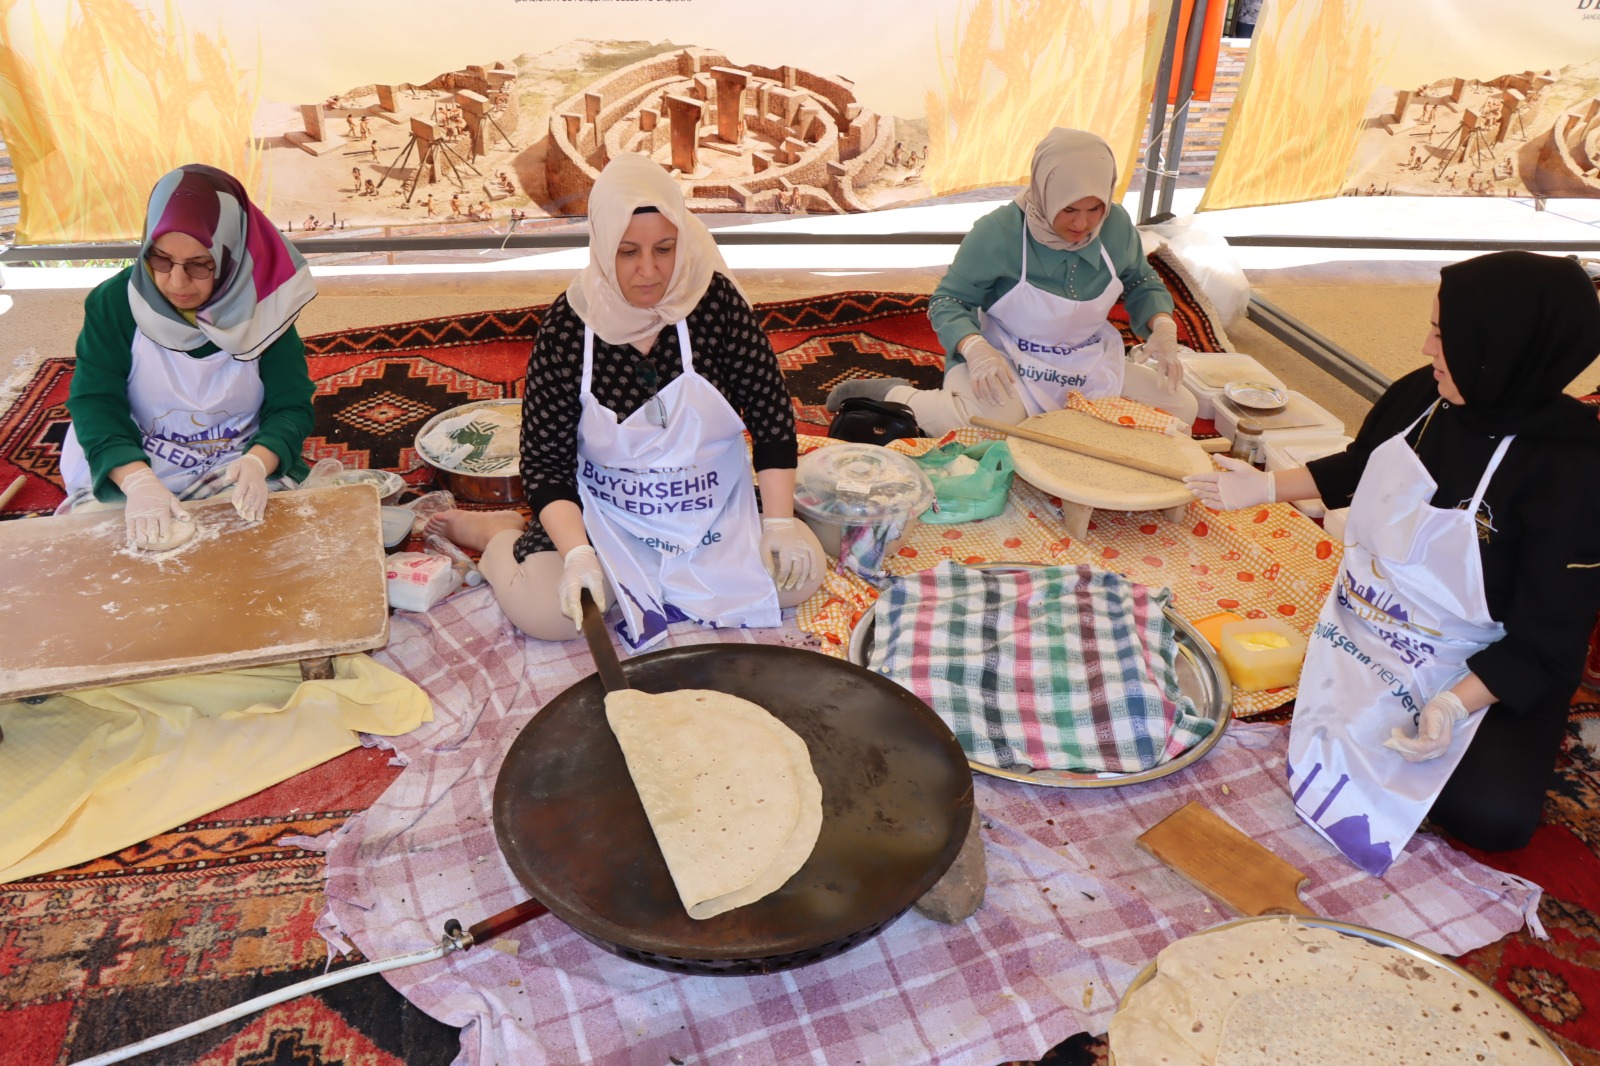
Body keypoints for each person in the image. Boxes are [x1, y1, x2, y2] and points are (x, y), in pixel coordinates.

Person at [1184, 251, 1600, 872]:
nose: (1428, 345)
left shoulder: (1574, 471)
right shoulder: (1424, 395)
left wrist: (1453, 704)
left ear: (1504, 347)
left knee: (1491, 817)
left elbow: (1550, 640)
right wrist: (1264, 486)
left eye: (1445, 334)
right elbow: (1362, 464)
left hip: (1491, 658)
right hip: (1380, 617)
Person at [426, 152, 825, 647]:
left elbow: (771, 421)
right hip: (608, 515)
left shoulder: (716, 303)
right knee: (550, 614)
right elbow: (544, 463)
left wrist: (780, 523)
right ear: (600, 245)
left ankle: (667, 578)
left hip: (710, 505)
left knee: (800, 574)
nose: (649, 271)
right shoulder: (570, 327)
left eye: (665, 248)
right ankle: (499, 537)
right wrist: (576, 556)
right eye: (627, 251)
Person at [825, 128, 1195, 435]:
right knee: (989, 426)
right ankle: (901, 396)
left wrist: (1161, 325)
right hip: (1008, 359)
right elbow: (948, 302)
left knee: (1180, 409)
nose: (1082, 225)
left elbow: (1140, 281)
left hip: (1085, 361)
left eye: (1094, 208)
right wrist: (976, 350)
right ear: (1044, 188)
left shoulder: (1115, 227)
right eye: (1069, 209)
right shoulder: (999, 233)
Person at [59, 164, 318, 546]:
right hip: (136, 448)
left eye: (200, 265)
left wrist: (258, 461)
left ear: (231, 256)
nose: (176, 282)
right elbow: (96, 402)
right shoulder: (115, 303)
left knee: (254, 544)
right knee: (101, 545)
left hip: (232, 457)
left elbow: (292, 406)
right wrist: (137, 481)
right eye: (160, 259)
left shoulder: (264, 306)